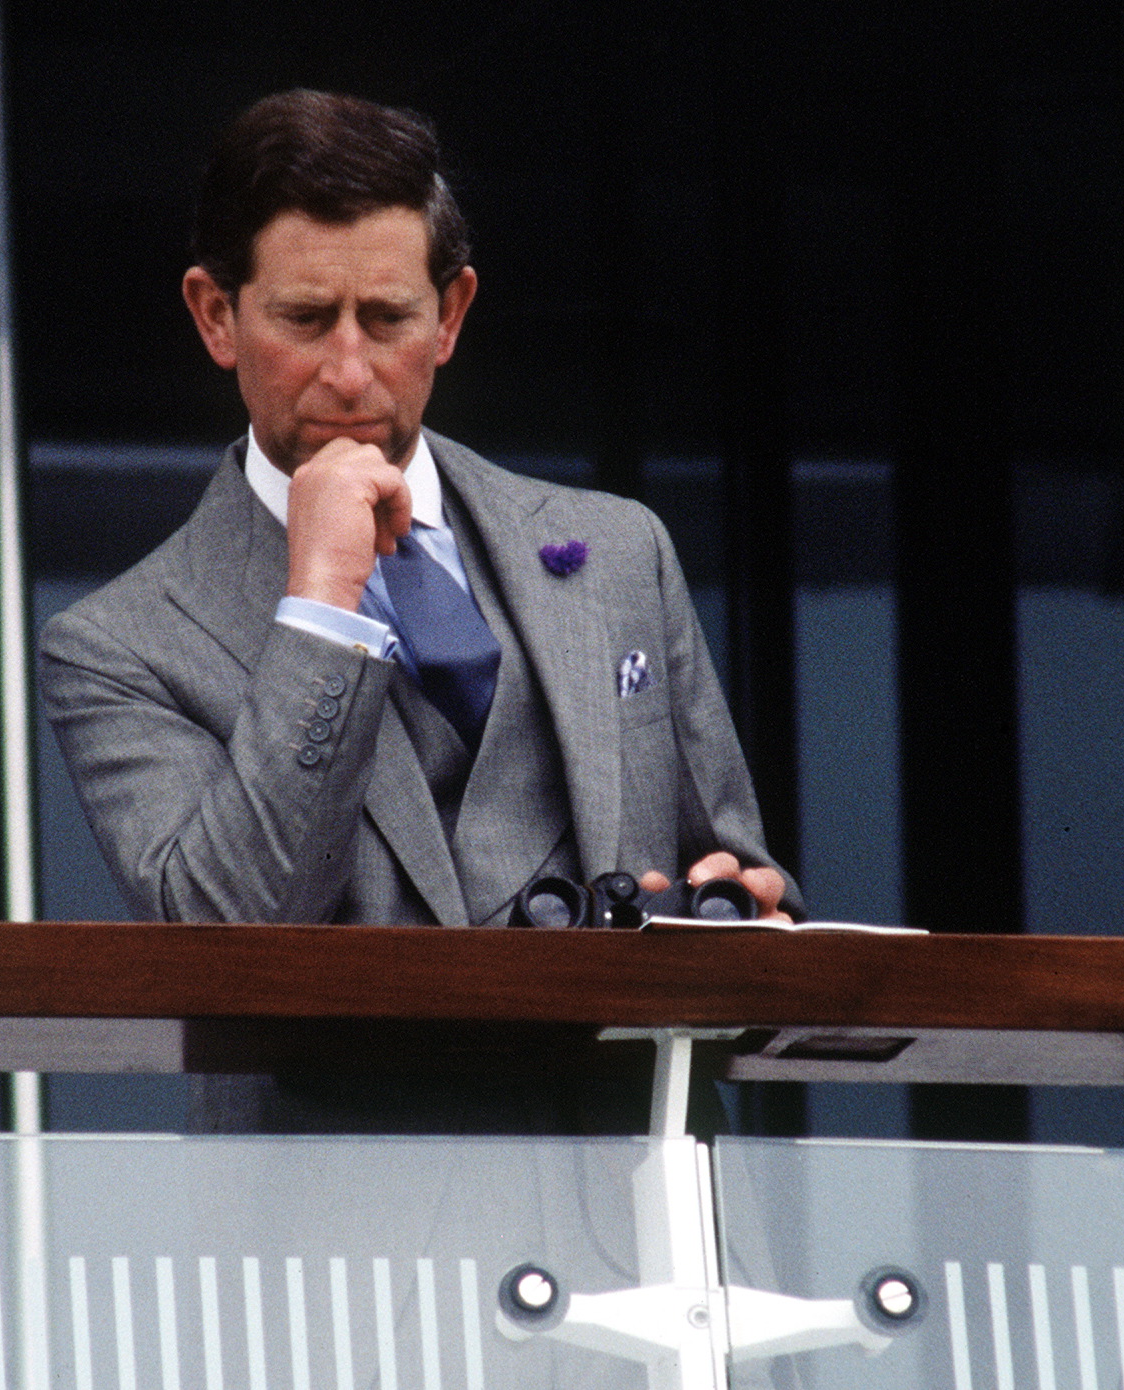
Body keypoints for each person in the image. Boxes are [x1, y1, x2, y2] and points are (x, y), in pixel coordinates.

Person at [40, 89, 797, 1131]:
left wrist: (751, 909)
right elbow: (226, 943)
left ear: (450, 315)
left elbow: (745, 879)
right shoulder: (118, 646)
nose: (349, 373)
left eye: (388, 318)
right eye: (305, 320)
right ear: (217, 316)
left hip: (630, 1220)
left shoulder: (620, 551)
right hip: (329, 1240)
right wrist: (320, 609)